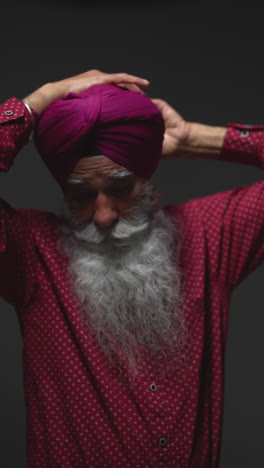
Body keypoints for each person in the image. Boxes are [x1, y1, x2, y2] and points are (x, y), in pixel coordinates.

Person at [0, 69, 263, 468]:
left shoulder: (209, 234)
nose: (103, 216)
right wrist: (39, 100)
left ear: (147, 174)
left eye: (121, 189)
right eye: (81, 196)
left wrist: (199, 139)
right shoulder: (31, 254)